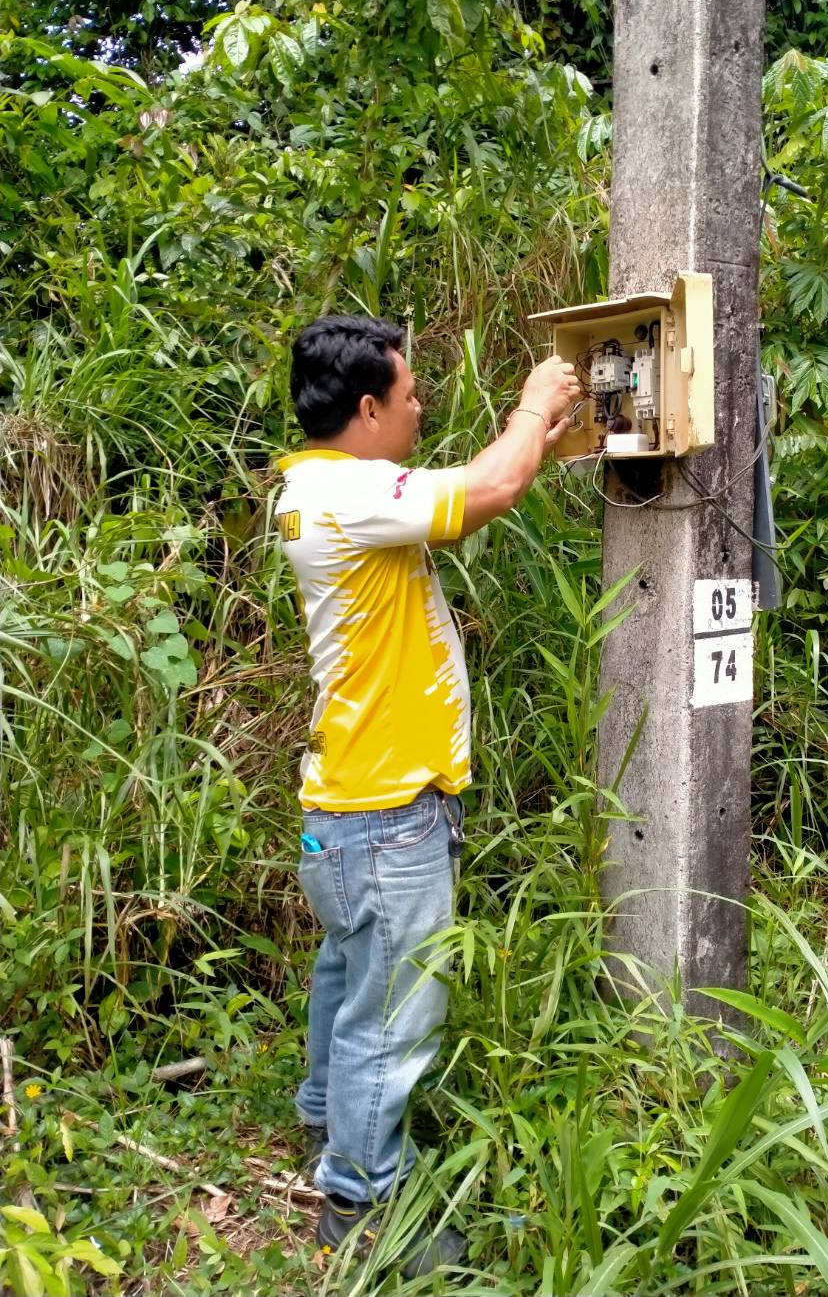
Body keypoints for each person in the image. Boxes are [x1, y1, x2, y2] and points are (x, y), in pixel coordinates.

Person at [274, 313, 579, 1274]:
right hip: (385, 809)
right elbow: (492, 484)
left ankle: (327, 1117)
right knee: (395, 1009)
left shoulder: (318, 487)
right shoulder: (348, 495)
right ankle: (362, 1204)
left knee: (350, 972)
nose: (420, 409)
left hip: (344, 808)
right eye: (410, 397)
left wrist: (534, 437)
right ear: (367, 408)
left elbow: (487, 480)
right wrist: (532, 408)